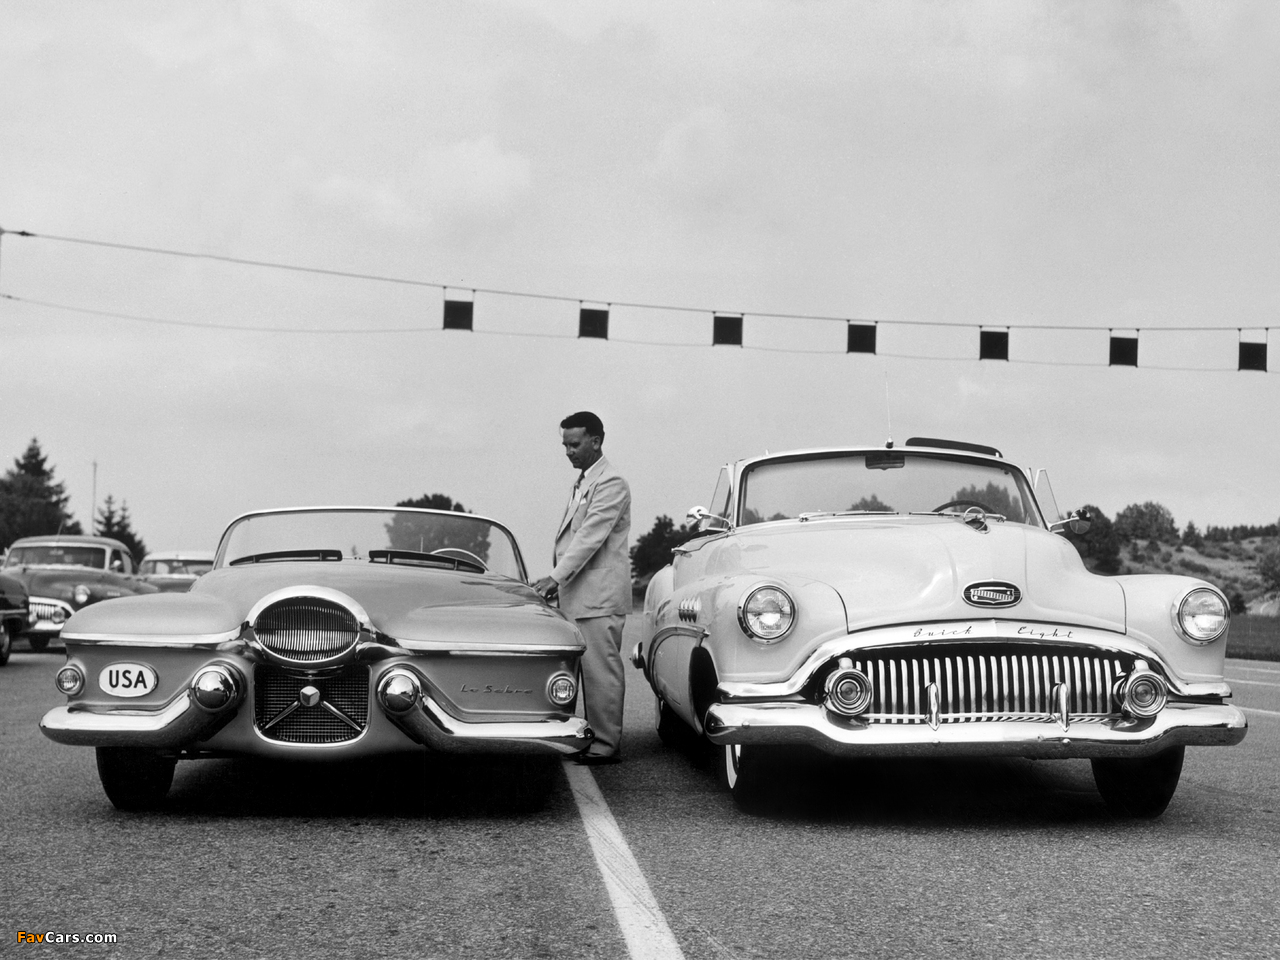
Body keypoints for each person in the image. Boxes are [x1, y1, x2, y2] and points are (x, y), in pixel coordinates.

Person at [532, 411, 631, 765]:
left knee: (601, 673)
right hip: (580, 597)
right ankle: (585, 737)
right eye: (565, 445)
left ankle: (605, 744)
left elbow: (589, 537)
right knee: (583, 672)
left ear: (596, 441)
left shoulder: (611, 483)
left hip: (599, 598)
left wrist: (554, 578)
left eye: (574, 444)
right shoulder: (585, 481)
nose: (568, 452)